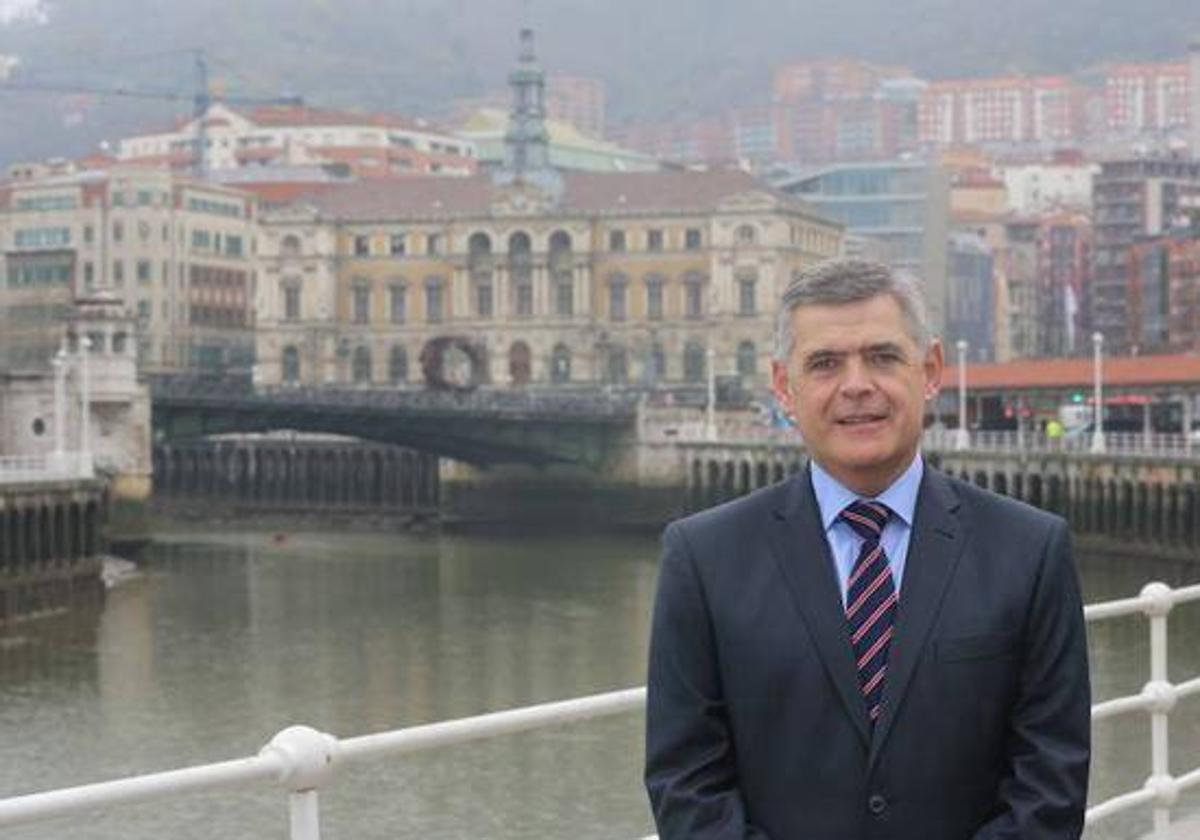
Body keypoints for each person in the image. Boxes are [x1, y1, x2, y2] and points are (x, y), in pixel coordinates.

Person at [644, 259, 1090, 839]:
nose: (856, 385)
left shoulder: (1030, 552)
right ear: (785, 387)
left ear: (929, 370)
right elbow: (687, 784)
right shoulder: (702, 558)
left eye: (882, 357)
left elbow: (1051, 784)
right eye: (825, 363)